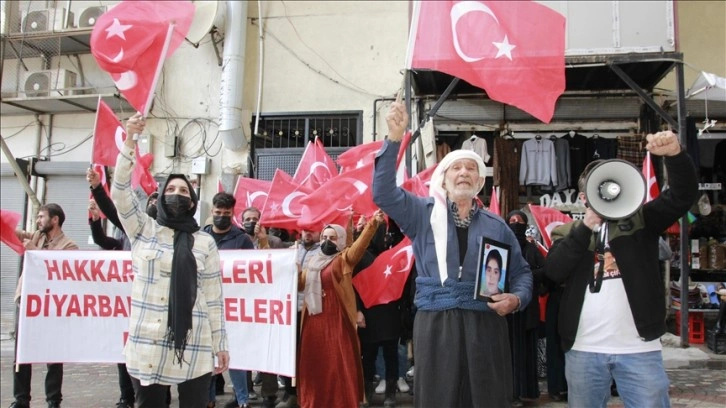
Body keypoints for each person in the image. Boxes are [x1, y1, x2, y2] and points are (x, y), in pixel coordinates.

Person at [372, 102, 533, 407]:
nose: (463, 173)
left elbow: (522, 273)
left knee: (486, 397)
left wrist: (516, 299)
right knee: (439, 398)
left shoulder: (497, 225)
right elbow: (382, 193)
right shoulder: (421, 212)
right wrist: (394, 138)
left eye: (471, 168)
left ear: (479, 182)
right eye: (456, 168)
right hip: (436, 323)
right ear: (443, 179)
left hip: (485, 323)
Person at [544, 130, 698, 407]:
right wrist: (586, 227)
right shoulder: (567, 232)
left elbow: (682, 196)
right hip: (583, 348)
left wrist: (675, 155)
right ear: (583, 197)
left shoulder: (642, 222)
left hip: (639, 348)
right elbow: (554, 272)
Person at [112, 113, 229, 408]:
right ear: (162, 198)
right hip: (147, 342)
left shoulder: (204, 242)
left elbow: (214, 298)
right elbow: (120, 193)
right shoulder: (142, 229)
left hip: (194, 341)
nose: (177, 194)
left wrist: (221, 345)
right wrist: (130, 141)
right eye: (171, 190)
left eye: (184, 191)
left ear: (192, 202)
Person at [87, 168, 161, 408]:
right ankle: (126, 397)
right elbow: (111, 214)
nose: (153, 204)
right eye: (150, 200)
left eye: (158, 202)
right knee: (126, 353)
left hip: (156, 303)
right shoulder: (132, 229)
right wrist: (97, 189)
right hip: (129, 301)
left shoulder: (168, 234)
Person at [297, 210, 385, 408]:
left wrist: (372, 224)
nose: (327, 241)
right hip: (313, 321)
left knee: (337, 364)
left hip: (337, 320)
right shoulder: (311, 261)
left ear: (341, 240)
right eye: (324, 237)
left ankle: (341, 401)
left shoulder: (345, 259)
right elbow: (300, 285)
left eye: (333, 238)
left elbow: (360, 245)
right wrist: (292, 269)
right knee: (315, 365)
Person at [11, 203, 78, 408]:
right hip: (27, 300)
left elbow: (60, 270)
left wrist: (36, 253)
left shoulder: (69, 246)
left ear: (55, 220)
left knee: (53, 354)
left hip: (51, 305)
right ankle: (21, 399)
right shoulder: (37, 237)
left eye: (41, 217)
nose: (38, 221)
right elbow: (16, 234)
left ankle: (53, 400)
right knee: (21, 353)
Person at [202, 192, 254, 408]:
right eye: (217, 213)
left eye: (226, 213)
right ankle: (208, 399)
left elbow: (253, 270)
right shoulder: (201, 237)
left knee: (235, 354)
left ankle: (242, 399)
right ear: (212, 212)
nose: (221, 216)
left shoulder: (242, 239)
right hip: (205, 305)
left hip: (233, 307)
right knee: (206, 356)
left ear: (233, 214)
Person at [275, 228, 322, 408]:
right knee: (288, 352)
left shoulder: (322, 252)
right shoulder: (291, 250)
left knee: (307, 354)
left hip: (309, 311)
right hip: (288, 310)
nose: (308, 234)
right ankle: (290, 392)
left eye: (312, 230)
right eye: (305, 230)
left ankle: (307, 392)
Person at [506, 210, 546, 405]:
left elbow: (545, 272)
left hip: (527, 309)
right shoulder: (502, 248)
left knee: (526, 353)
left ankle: (526, 391)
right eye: (511, 221)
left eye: (519, 221)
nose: (515, 224)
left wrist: (526, 276)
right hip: (505, 312)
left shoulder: (532, 250)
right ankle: (510, 392)